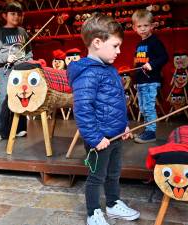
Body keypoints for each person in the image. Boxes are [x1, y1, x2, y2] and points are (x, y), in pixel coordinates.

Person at [67, 13, 140, 225]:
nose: (119, 51)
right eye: (116, 46)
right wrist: (95, 138)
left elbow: (113, 103)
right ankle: (93, 213)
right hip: (99, 140)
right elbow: (83, 109)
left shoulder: (108, 69)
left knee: (114, 173)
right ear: (97, 43)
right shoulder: (88, 73)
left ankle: (113, 204)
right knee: (96, 177)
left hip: (115, 135)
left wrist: (124, 126)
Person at [0, 1, 32, 143]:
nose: (16, 17)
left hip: (21, 70)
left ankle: (20, 128)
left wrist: (28, 62)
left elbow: (29, 52)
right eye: (12, 14)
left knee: (21, 96)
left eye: (19, 14)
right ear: (4, 15)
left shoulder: (23, 32)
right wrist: (6, 57)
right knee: (4, 98)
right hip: (6, 71)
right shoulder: (0, 33)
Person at [132, 9, 168, 144]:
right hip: (141, 82)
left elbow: (164, 57)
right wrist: (136, 80)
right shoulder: (139, 44)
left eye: (145, 26)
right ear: (135, 28)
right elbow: (137, 64)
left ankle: (151, 132)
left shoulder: (154, 42)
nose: (142, 29)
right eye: (139, 26)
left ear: (152, 26)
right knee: (143, 108)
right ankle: (147, 129)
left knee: (148, 107)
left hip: (151, 81)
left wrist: (152, 64)